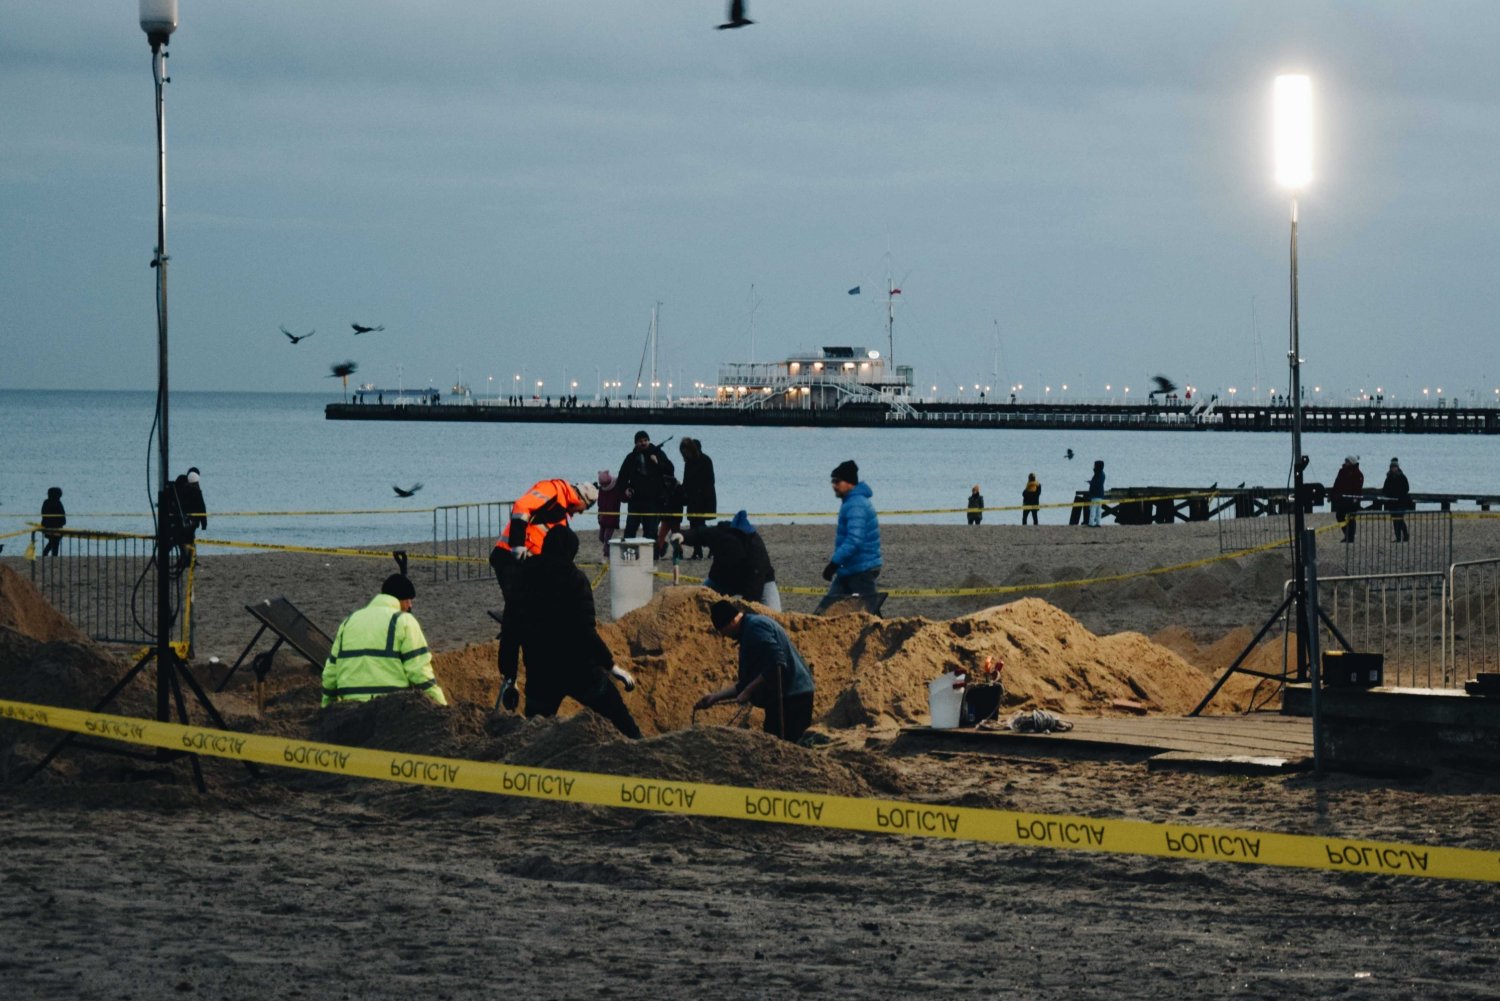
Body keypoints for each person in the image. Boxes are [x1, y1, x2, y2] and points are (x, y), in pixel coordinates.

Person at [497, 526, 641, 739]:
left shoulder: (522, 578)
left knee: (534, 734)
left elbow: (510, 632)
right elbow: (585, 632)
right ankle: (638, 746)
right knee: (622, 722)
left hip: (540, 671)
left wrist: (510, 677)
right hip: (580, 669)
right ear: (571, 551)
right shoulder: (575, 579)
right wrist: (611, 666)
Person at [695, 600, 815, 743]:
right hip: (785, 696)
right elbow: (747, 682)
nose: (725, 636)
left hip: (793, 697)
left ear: (732, 621)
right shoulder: (749, 629)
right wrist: (715, 697)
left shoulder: (755, 629)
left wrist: (748, 691)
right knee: (773, 744)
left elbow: (777, 663)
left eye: (724, 631)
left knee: (786, 747)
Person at [321, 573, 446, 708]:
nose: (410, 606)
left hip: (350, 707)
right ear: (400, 600)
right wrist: (443, 707)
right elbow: (419, 672)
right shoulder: (403, 621)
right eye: (409, 600)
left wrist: (327, 706)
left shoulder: (348, 621)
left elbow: (331, 672)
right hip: (389, 708)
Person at [489, 477, 599, 601]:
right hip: (509, 555)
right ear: (581, 499)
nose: (582, 512)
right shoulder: (553, 489)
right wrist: (517, 544)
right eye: (586, 508)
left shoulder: (562, 517)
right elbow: (522, 506)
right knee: (517, 603)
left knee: (527, 604)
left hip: (527, 563)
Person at [670, 509, 780, 610]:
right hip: (722, 579)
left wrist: (741, 612)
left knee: (773, 613)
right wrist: (682, 536)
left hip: (759, 581)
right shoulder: (719, 533)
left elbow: (754, 593)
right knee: (697, 600)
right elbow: (699, 533)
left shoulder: (755, 551)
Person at [815, 460, 882, 614]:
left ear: (849, 483)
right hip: (849, 569)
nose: (833, 485)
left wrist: (833, 564)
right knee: (828, 610)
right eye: (832, 481)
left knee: (869, 613)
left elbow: (854, 540)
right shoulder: (851, 502)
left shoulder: (856, 505)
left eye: (837, 481)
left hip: (861, 569)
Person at [617, 430, 674, 545]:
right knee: (630, 530)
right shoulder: (631, 457)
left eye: (645, 440)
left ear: (649, 441)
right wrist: (626, 488)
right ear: (636, 443)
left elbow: (670, 470)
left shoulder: (658, 453)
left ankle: (653, 554)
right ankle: (629, 553)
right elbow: (622, 477)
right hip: (635, 500)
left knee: (651, 531)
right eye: (640, 441)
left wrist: (657, 463)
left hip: (653, 500)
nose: (643, 443)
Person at [679, 437, 717, 558]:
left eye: (686, 452)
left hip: (704, 499)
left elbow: (710, 481)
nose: (685, 454)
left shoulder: (706, 460)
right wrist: (684, 494)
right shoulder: (688, 463)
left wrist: (703, 495)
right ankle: (697, 551)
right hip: (692, 499)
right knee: (693, 526)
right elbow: (686, 480)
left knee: (700, 526)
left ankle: (713, 546)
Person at [1330, 455, 1364, 543]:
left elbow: (1358, 488)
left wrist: (1355, 499)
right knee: (1339, 516)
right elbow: (1336, 484)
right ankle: (1347, 534)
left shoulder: (1358, 474)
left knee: (1351, 519)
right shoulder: (1342, 471)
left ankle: (1350, 537)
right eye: (1345, 461)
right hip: (1342, 499)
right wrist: (1332, 495)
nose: (1346, 463)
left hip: (1352, 500)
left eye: (1347, 461)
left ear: (1352, 462)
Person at [1381, 457, 1411, 542]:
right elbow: (1385, 489)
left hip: (1401, 501)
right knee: (1395, 520)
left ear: (1397, 467)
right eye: (1392, 467)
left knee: (1399, 519)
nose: (1393, 468)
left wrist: (1399, 495)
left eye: (1395, 467)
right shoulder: (1389, 477)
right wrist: (1388, 494)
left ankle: (1405, 535)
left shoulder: (1402, 477)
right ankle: (1398, 537)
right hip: (1392, 502)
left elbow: (1407, 488)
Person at [596, 469, 623, 561]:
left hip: (612, 518)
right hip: (603, 517)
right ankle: (611, 550)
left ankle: (606, 555)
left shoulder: (616, 488)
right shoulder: (601, 490)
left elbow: (622, 498)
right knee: (601, 537)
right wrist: (599, 516)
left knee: (607, 537)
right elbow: (600, 503)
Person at [40, 487, 66, 557]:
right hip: (56, 527)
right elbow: (62, 515)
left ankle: (46, 553)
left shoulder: (46, 502)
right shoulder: (58, 503)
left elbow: (43, 514)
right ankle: (52, 555)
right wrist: (63, 522)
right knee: (55, 542)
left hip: (47, 526)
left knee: (53, 542)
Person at [1086, 460, 1106, 527]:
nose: (1093, 467)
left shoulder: (1097, 474)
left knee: (1093, 509)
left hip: (1095, 494)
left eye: (1094, 465)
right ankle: (1098, 523)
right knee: (1098, 509)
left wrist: (1091, 483)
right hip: (1100, 494)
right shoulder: (1103, 474)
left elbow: (1096, 483)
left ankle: (1091, 523)